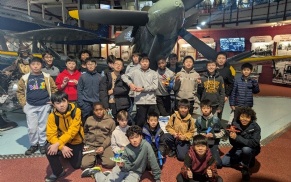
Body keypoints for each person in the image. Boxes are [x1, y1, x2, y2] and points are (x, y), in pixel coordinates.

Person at [81, 125, 162, 182]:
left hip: (135, 173)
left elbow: (153, 161)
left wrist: (157, 179)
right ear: (128, 139)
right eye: (131, 138)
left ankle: (107, 176)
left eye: (136, 137)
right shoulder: (127, 149)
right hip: (122, 169)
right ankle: (97, 173)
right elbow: (125, 167)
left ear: (141, 136)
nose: (134, 140)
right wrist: (122, 165)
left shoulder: (146, 145)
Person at [16, 57, 57, 155]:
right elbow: (20, 91)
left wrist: (52, 100)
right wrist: (24, 104)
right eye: (33, 64)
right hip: (30, 105)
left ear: (41, 65)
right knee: (32, 127)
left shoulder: (47, 77)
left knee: (43, 126)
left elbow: (54, 88)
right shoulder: (25, 78)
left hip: (45, 105)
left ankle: (43, 144)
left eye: (38, 64)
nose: (35, 66)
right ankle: (34, 144)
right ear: (30, 65)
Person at [45, 91, 84, 182]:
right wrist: (62, 147)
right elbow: (50, 135)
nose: (61, 105)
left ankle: (68, 154)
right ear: (53, 105)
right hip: (62, 142)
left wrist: (59, 144)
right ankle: (58, 172)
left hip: (75, 141)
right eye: (58, 103)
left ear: (68, 101)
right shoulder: (52, 116)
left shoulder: (76, 111)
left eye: (64, 101)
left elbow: (72, 131)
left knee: (77, 165)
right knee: (48, 149)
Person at [221, 107, 261, 181]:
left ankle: (245, 168)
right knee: (223, 162)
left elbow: (254, 142)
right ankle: (245, 159)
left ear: (251, 118)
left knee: (246, 150)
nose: (244, 119)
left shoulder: (256, 127)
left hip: (251, 148)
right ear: (239, 117)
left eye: (247, 117)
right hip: (238, 147)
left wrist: (237, 138)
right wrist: (231, 137)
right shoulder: (235, 124)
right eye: (242, 116)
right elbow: (233, 143)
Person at [121, 53, 159, 127]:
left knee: (150, 120)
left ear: (149, 63)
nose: (144, 63)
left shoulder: (153, 73)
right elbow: (123, 76)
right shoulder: (135, 72)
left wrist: (143, 89)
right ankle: (139, 135)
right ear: (140, 63)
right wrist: (130, 84)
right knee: (140, 120)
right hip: (140, 100)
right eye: (142, 62)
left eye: (146, 62)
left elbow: (155, 86)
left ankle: (149, 135)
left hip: (151, 100)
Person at [81, 102, 116, 169]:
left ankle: (100, 156)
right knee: (84, 165)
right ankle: (95, 158)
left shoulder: (110, 121)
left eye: (101, 109)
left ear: (104, 110)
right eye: (96, 110)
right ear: (93, 111)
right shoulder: (89, 119)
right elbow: (85, 132)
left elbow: (111, 135)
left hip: (104, 145)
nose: (99, 112)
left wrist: (103, 146)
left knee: (111, 164)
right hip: (91, 145)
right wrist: (85, 143)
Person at [195, 99, 225, 169]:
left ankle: (212, 153)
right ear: (201, 109)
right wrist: (200, 135)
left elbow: (223, 132)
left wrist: (213, 135)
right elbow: (194, 131)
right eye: (203, 108)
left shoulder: (216, 119)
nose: (205, 110)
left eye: (208, 108)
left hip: (212, 143)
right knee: (196, 161)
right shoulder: (199, 119)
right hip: (202, 143)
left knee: (218, 164)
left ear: (211, 109)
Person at [77, 58, 102, 123]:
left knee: (97, 121)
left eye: (92, 64)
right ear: (85, 65)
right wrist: (81, 103)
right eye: (88, 64)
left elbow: (102, 90)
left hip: (97, 103)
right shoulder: (83, 77)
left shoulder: (100, 77)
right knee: (86, 122)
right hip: (86, 103)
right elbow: (79, 90)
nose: (90, 66)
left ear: (96, 65)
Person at [215, 52, 234, 120]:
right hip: (211, 94)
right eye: (219, 58)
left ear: (226, 60)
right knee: (209, 112)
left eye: (223, 58)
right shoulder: (212, 69)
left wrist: (227, 95)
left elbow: (231, 83)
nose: (221, 60)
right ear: (216, 59)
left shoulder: (227, 71)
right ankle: (208, 129)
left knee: (219, 113)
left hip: (221, 95)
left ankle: (218, 128)